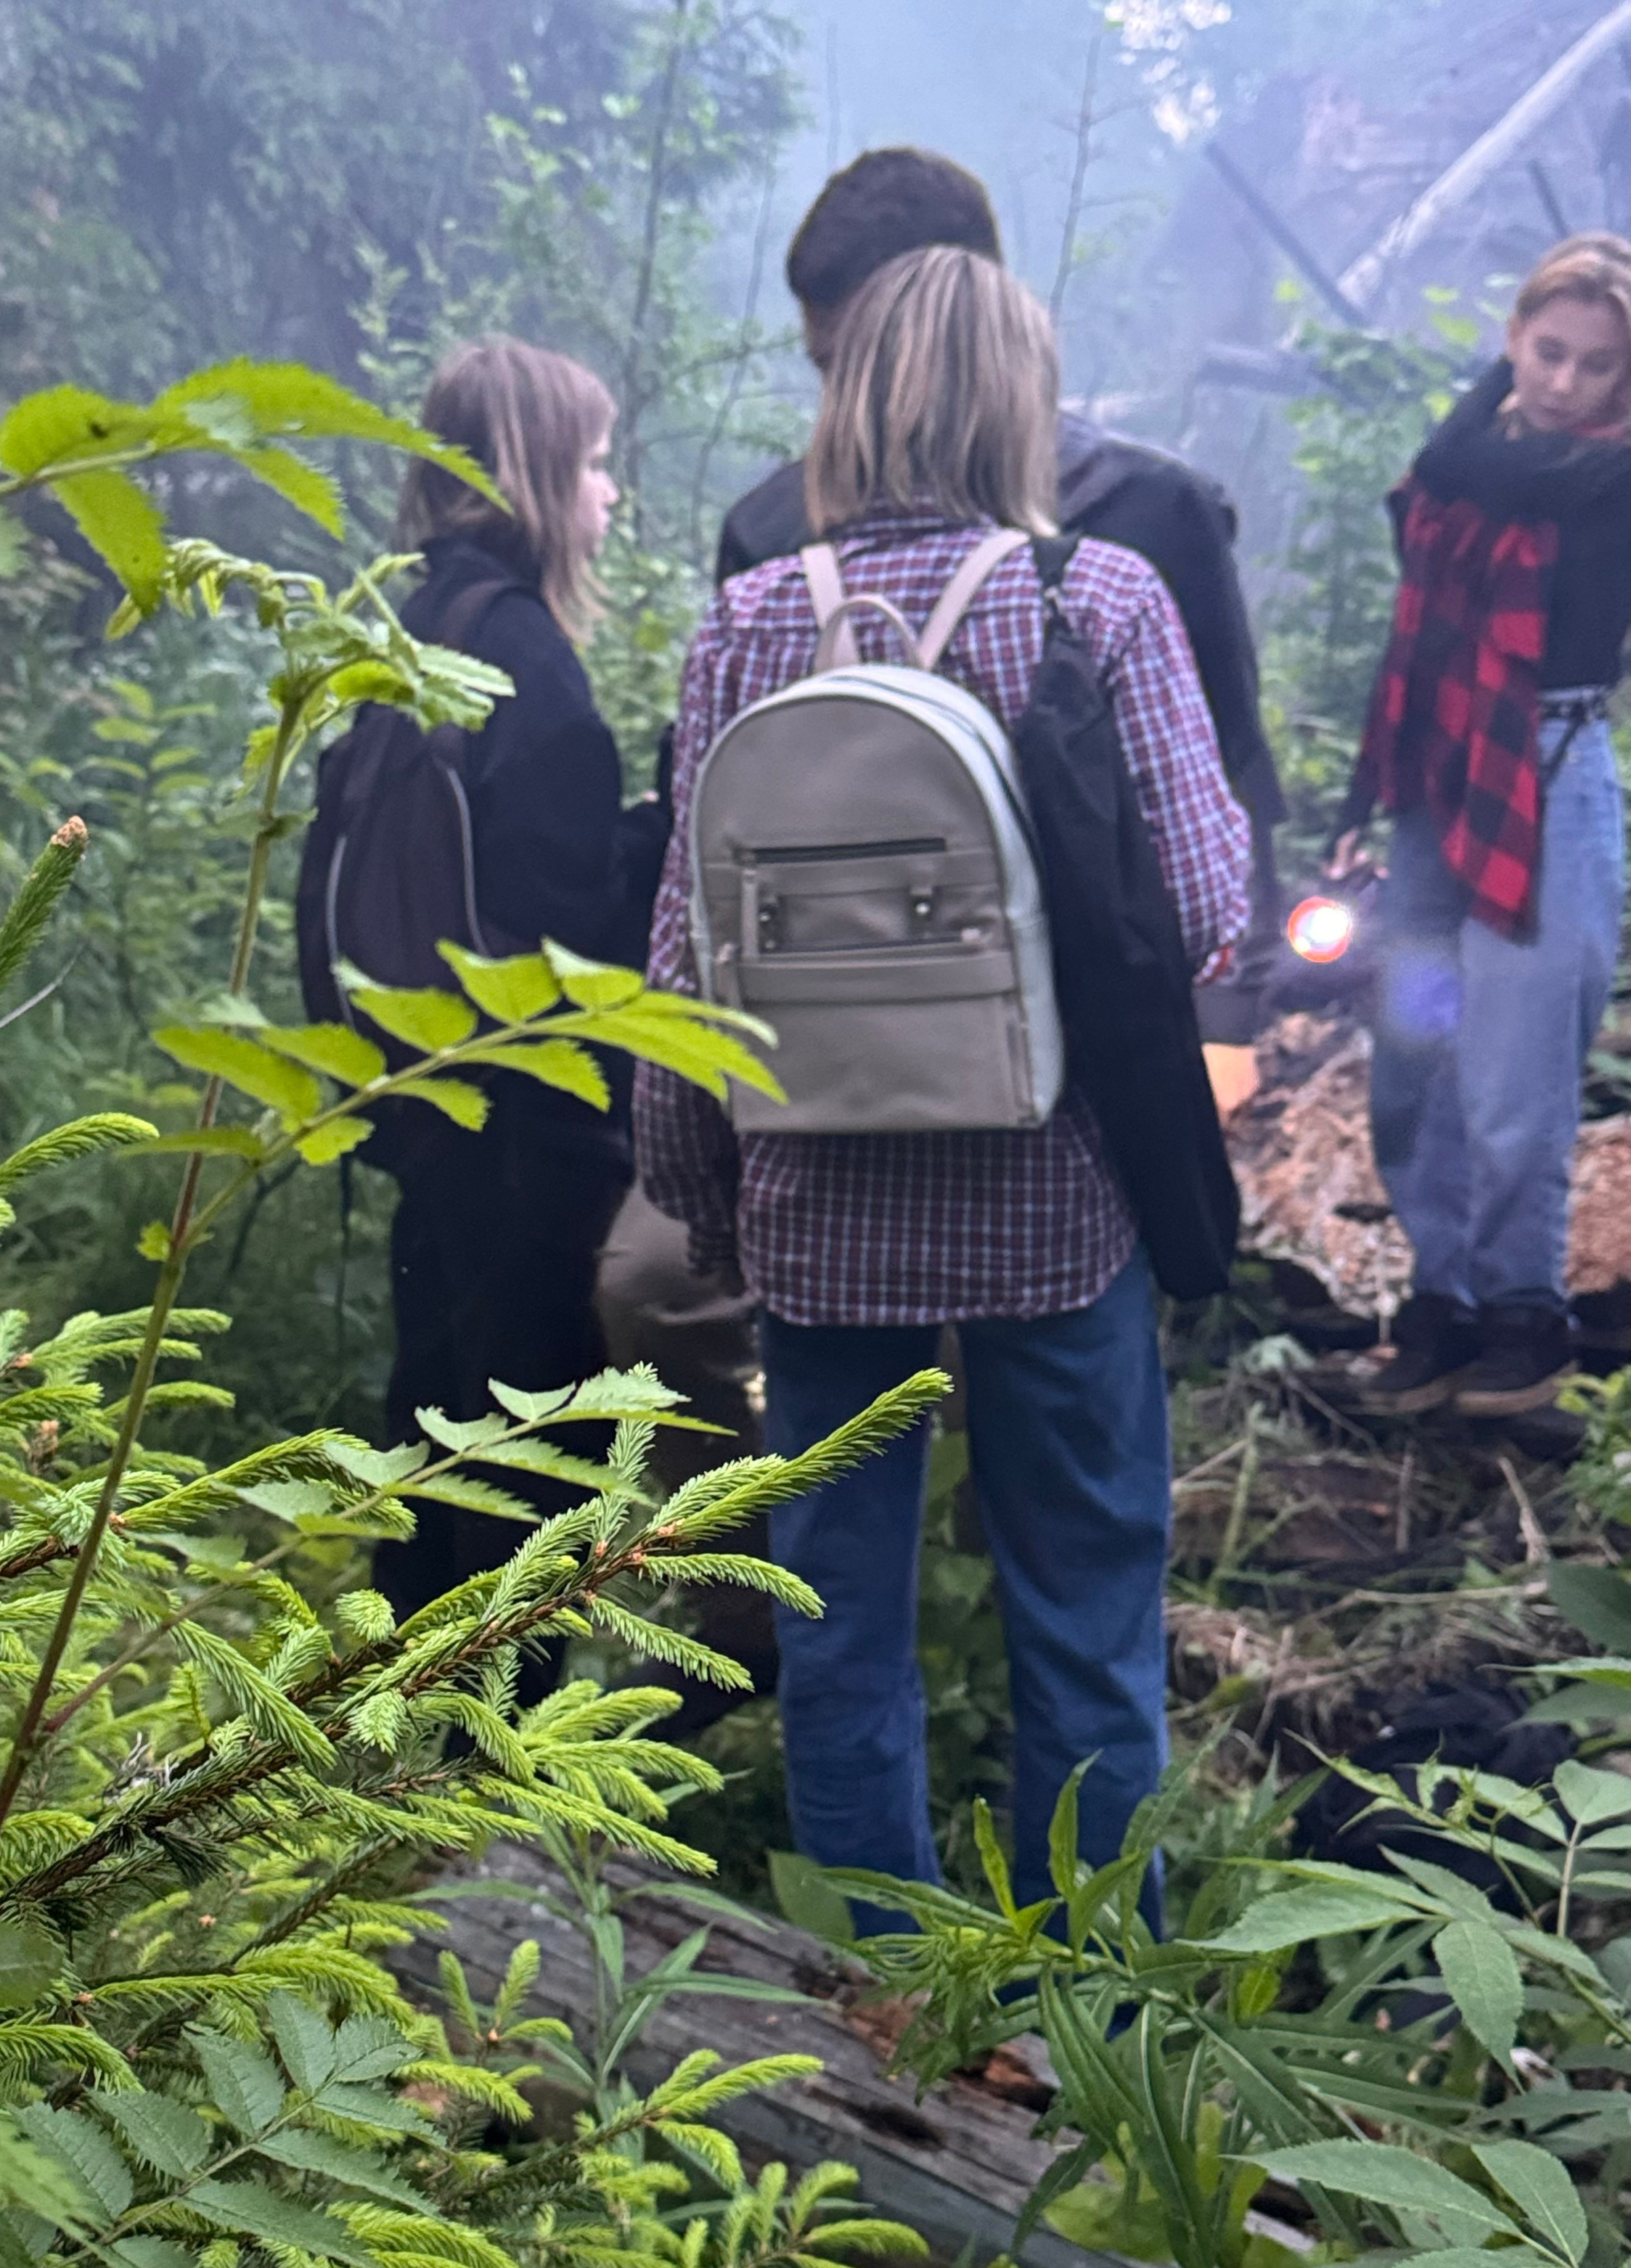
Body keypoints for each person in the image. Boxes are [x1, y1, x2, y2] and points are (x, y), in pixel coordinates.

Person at [635, 247, 1250, 1928]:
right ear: (1021, 405)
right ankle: (1088, 1989)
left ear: (846, 400)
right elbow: (1202, 901)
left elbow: (682, 957)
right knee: (1085, 1607)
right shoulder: (1093, 599)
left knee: (835, 1616)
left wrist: (699, 1195)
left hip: (815, 1203)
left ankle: (882, 1990)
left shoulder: (749, 620)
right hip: (1054, 1197)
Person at [716, 147, 1287, 1102]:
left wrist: (1227, 1019)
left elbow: (1229, 766)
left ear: (965, 314)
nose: (848, 402)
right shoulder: (769, 542)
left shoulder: (1148, 517)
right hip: (843, 1060)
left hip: (1102, 1054)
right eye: (829, 369)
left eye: (867, 361)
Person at [375, 337, 667, 1622]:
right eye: (594, 463)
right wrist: (666, 834)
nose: (609, 492)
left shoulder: (418, 622)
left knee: (430, 1409)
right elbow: (571, 929)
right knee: (535, 1444)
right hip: (529, 1115)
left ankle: (387, 1673)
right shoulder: (527, 659)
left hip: (419, 1084)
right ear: (536, 472)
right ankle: (502, 1708)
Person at [1352, 234, 1631, 1418]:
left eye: (1598, 365)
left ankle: (1523, 1315)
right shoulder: (1462, 464)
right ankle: (1445, 1306)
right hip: (1441, 779)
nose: (1566, 382)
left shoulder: (1611, 480)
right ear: (1513, 337)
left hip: (1548, 783)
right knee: (1414, 1064)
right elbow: (1418, 619)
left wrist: (1491, 406)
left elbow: (1488, 472)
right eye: (1548, 350)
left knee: (1515, 1080)